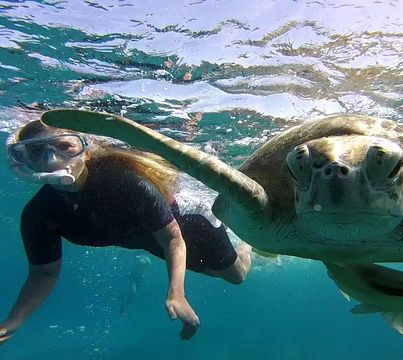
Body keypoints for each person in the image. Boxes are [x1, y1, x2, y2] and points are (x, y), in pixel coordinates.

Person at [0, 120, 252, 343]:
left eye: (64, 146)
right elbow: (43, 274)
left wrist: (176, 294)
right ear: (24, 161)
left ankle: (247, 240)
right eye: (35, 151)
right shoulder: (38, 214)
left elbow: (174, 239)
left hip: (187, 222)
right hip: (149, 239)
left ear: (85, 150)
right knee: (212, 272)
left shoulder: (124, 182)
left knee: (235, 276)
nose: (51, 159)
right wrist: (11, 324)